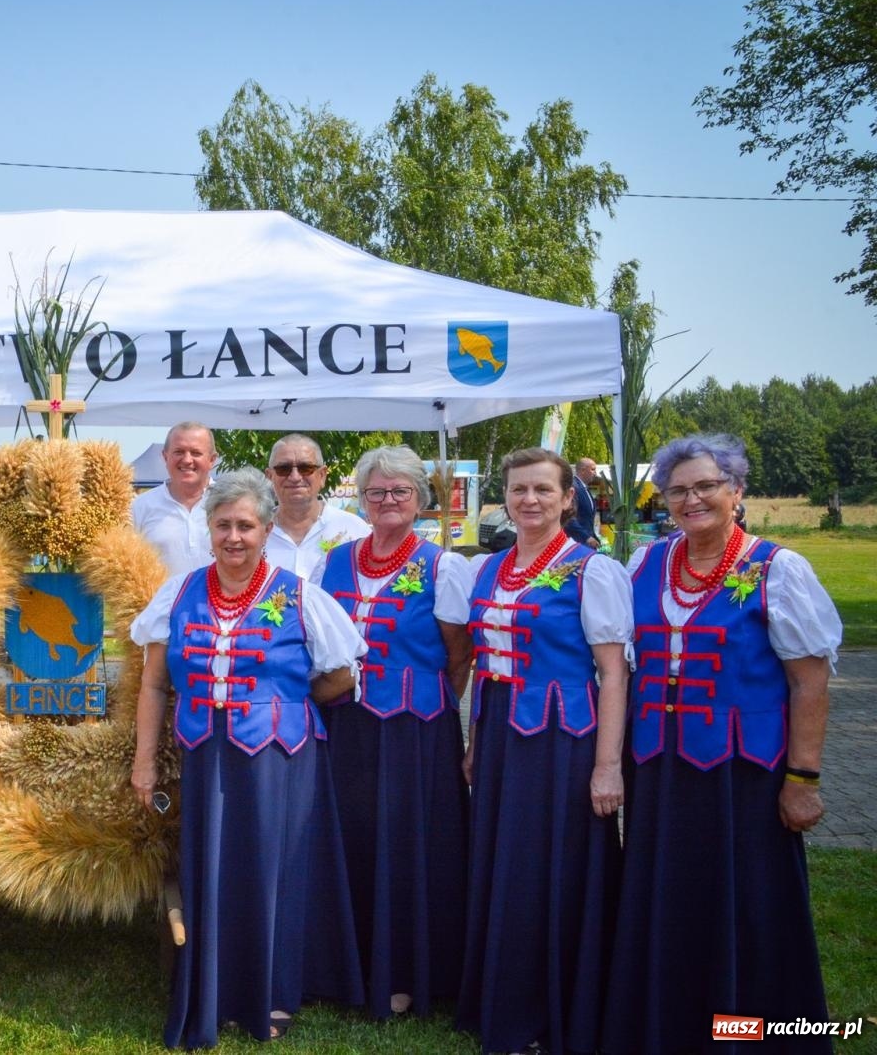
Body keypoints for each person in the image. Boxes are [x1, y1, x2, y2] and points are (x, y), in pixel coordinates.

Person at [603, 434, 840, 1055]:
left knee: (750, 903)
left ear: (737, 490)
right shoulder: (644, 564)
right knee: (667, 898)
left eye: (707, 485)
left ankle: (752, 1034)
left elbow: (809, 681)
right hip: (659, 766)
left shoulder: (777, 568)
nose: (692, 499)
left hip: (745, 771)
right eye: (677, 490)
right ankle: (667, 1027)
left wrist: (803, 779)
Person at [130, 467, 367, 1048]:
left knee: (272, 870)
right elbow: (155, 684)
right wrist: (144, 762)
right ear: (208, 530)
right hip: (206, 753)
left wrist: (281, 703)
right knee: (210, 868)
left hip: (278, 760)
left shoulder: (301, 592)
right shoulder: (178, 593)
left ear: (265, 529)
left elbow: (342, 674)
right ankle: (214, 985)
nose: (233, 537)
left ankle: (273, 991)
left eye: (246, 526)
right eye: (222, 525)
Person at [457, 446, 631, 1055]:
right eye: (518, 490)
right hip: (502, 730)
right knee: (506, 861)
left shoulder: (592, 570)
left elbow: (613, 673)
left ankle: (550, 1009)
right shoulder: (488, 568)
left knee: (548, 866)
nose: (529, 500)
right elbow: (483, 665)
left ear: (566, 498)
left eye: (542, 490)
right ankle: (501, 997)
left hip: (563, 738)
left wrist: (608, 766)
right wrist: (477, 741)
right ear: (504, 497)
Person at [312, 445, 473, 1020]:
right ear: (361, 496)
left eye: (399, 491)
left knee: (408, 847)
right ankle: (345, 968)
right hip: (345, 725)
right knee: (350, 839)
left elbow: (459, 657)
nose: (387, 501)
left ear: (420, 499)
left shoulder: (443, 566)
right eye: (376, 491)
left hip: (415, 733)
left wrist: (422, 704)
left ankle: (406, 973)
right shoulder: (333, 561)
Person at [264, 434, 369, 578]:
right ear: (270, 477)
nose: (295, 477)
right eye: (284, 468)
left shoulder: (354, 529)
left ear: (322, 475)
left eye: (305, 468)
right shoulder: (253, 532)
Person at [130, 421, 217, 577]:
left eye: (196, 453)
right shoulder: (140, 506)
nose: (187, 460)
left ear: (212, 459)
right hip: (163, 601)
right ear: (165, 457)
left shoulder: (229, 503)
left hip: (221, 600)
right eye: (179, 452)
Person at [566, 457, 601, 548]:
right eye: (593, 469)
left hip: (586, 542)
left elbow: (587, 519)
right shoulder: (574, 487)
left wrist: (593, 536)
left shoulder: (584, 488)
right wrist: (587, 537)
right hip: (577, 543)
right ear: (583, 470)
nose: (595, 473)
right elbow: (568, 518)